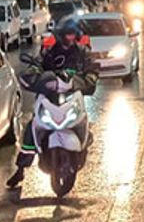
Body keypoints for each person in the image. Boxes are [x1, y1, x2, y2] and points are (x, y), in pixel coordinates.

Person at [6, 18, 98, 189]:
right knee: (32, 127)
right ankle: (20, 169)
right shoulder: (49, 53)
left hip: (72, 96)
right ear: (61, 35)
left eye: (73, 34)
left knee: (84, 120)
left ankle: (84, 141)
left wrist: (89, 80)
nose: (70, 38)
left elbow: (92, 69)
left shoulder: (82, 52)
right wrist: (34, 76)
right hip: (49, 96)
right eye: (67, 35)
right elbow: (37, 66)